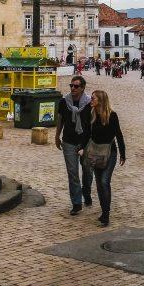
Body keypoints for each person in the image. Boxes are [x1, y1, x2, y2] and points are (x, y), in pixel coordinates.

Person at [84, 90, 126, 226]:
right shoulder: (91, 114)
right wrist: (81, 148)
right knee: (99, 184)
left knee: (104, 181)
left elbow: (118, 135)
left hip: (109, 152)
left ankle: (106, 215)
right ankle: (103, 212)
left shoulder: (112, 116)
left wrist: (123, 153)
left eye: (93, 98)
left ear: (100, 100)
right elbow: (86, 134)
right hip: (96, 153)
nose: (91, 100)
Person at [55, 76, 93, 215]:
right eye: (71, 85)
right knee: (73, 173)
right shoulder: (64, 102)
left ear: (83, 88)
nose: (73, 88)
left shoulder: (89, 103)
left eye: (76, 86)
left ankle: (86, 190)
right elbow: (61, 119)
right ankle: (76, 203)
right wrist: (57, 135)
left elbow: (92, 123)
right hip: (69, 141)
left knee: (88, 171)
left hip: (86, 142)